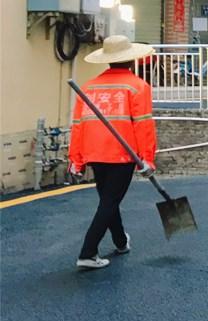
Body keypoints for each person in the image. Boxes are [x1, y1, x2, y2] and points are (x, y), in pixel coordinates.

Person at [69, 35, 157, 270]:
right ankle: (88, 252)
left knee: (109, 200)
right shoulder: (137, 86)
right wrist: (147, 159)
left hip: (94, 153)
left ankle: (120, 241)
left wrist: (76, 160)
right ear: (130, 59)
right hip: (122, 154)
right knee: (109, 202)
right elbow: (143, 125)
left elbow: (78, 126)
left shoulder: (89, 88)